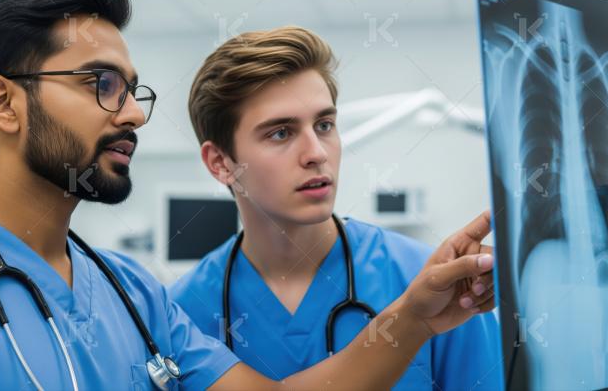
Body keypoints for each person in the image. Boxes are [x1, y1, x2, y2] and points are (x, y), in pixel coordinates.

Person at [0, 0, 497, 390]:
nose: (133, 112)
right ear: (3, 104)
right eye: (101, 84)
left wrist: (412, 318)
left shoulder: (134, 294)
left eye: (133, 91)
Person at [170, 26, 502, 390]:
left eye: (324, 125)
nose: (316, 153)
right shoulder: (182, 311)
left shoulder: (434, 284)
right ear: (220, 163)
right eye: (280, 133)